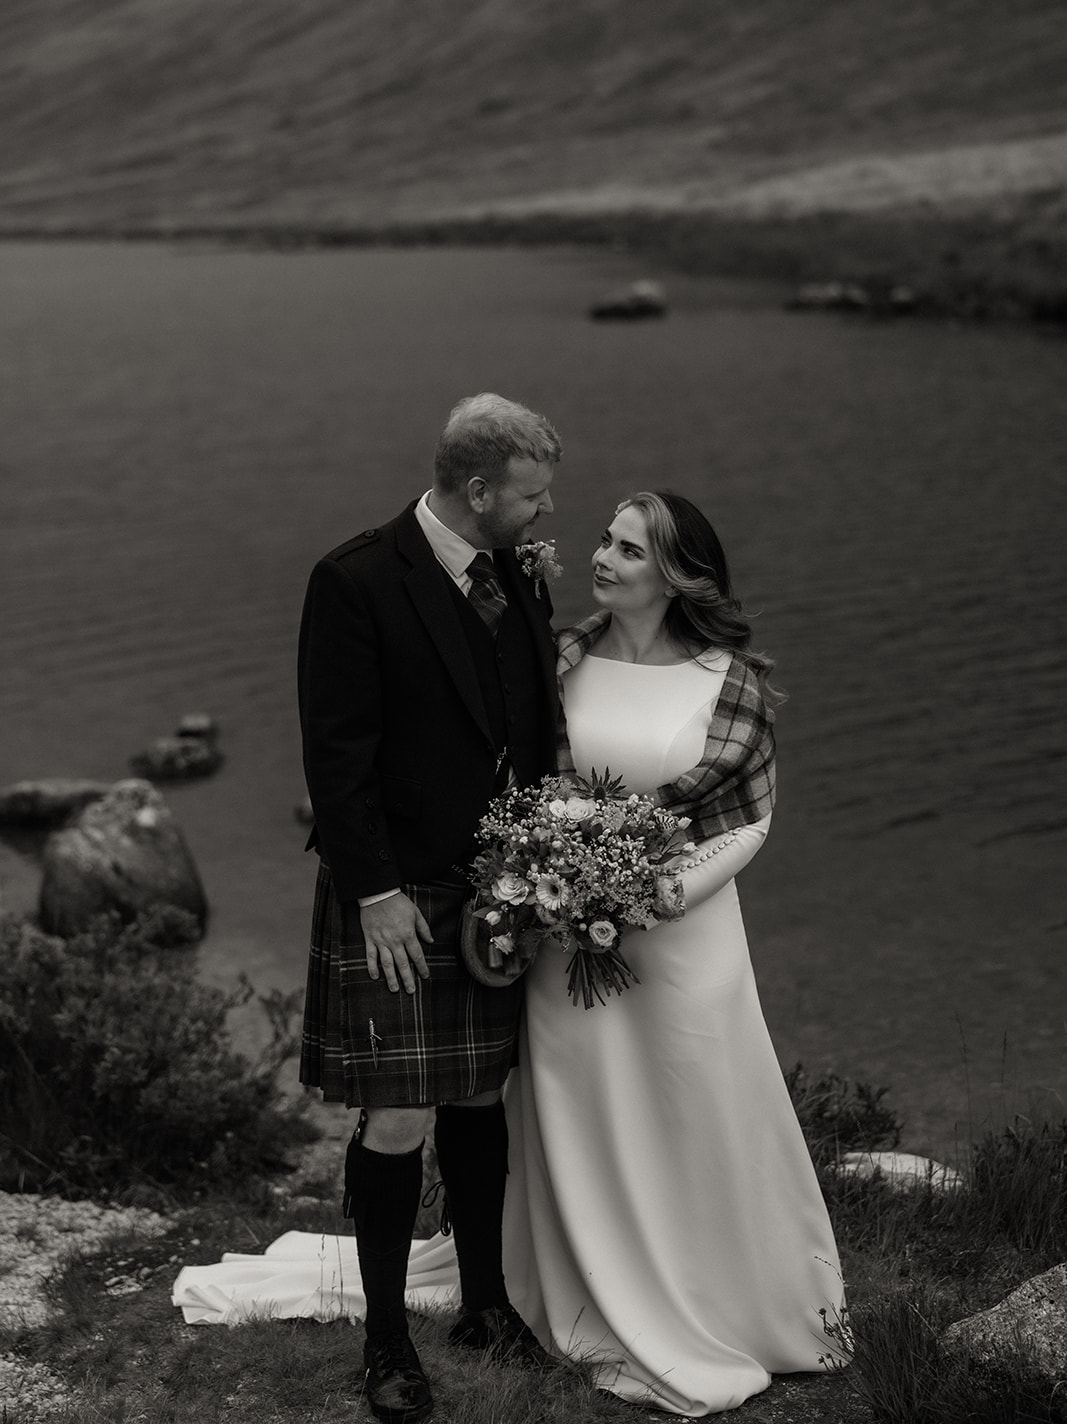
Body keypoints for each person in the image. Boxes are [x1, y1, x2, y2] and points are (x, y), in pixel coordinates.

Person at [500, 490, 846, 1415]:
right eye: (605, 542)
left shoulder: (725, 680)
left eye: (628, 550)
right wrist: (563, 890)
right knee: (581, 1105)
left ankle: (733, 1299)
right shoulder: (560, 657)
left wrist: (652, 897)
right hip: (562, 937)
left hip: (687, 941)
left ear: (675, 575)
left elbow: (751, 824)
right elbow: (530, 785)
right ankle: (589, 1286)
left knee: (696, 1101)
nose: (603, 558)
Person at [297, 393, 562, 1422]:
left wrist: (538, 865)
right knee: (399, 1110)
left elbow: (526, 720)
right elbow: (336, 756)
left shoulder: (513, 574)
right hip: (399, 891)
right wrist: (374, 894)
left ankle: (484, 1303)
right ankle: (384, 1343)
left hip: (494, 886)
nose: (546, 510)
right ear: (476, 487)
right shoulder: (355, 578)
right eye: (531, 495)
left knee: (476, 1098)